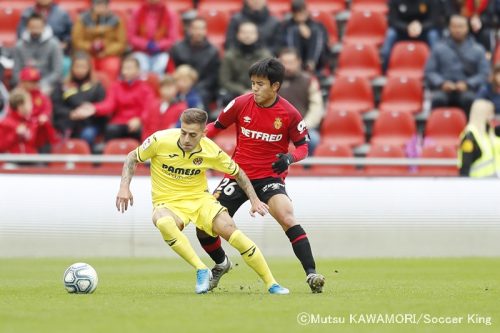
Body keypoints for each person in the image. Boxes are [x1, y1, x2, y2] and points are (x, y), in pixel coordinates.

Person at [116, 108, 289, 295]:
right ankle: (201, 269)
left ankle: (271, 283)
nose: (186, 139)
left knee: (231, 231)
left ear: (203, 133)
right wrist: (124, 187)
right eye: (183, 133)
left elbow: (238, 173)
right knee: (163, 221)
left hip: (200, 201)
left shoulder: (211, 150)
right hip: (169, 203)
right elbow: (132, 157)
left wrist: (254, 200)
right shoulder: (160, 140)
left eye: (192, 135)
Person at [197, 58, 325, 293]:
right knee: (204, 225)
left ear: (275, 86)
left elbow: (303, 147)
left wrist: (289, 158)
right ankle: (221, 264)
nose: (254, 88)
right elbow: (216, 126)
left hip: (269, 177)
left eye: (260, 84)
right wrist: (197, 140)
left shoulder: (289, 113)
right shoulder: (240, 103)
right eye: (253, 83)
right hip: (237, 175)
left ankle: (312, 274)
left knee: (287, 217)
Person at [74, 56, 155, 142]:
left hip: (138, 123)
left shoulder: (146, 89)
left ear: (138, 70)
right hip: (119, 122)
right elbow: (109, 104)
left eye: (129, 68)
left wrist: (139, 120)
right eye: (124, 68)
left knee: (143, 133)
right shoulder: (116, 86)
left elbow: (149, 109)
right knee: (110, 130)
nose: (125, 71)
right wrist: (94, 108)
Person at [424, 14, 490, 117]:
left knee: (470, 100)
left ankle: (469, 130)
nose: (457, 30)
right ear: (449, 28)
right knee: (438, 99)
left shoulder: (478, 49)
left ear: (467, 28)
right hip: (443, 89)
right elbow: (429, 71)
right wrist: (442, 83)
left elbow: (484, 74)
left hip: (468, 90)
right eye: (454, 26)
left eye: (461, 26)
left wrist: (467, 83)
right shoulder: (438, 48)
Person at [51, 51, 107, 149]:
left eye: (83, 67)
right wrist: (70, 113)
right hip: (67, 122)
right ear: (72, 68)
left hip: (90, 123)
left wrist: (88, 111)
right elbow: (56, 106)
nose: (80, 70)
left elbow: (103, 108)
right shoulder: (62, 86)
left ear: (89, 68)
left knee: (88, 134)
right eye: (77, 66)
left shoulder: (97, 87)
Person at [278, 48, 324, 154]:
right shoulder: (272, 81)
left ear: (299, 62)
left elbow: (316, 108)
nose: (287, 66)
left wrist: (303, 126)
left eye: (291, 62)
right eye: (284, 63)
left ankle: (306, 169)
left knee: (314, 140)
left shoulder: (309, 81)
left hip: (302, 127)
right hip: (276, 127)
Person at [170, 17, 220, 110]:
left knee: (201, 97)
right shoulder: (177, 48)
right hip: (179, 85)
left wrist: (193, 87)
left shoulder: (212, 51)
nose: (198, 32)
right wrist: (181, 84)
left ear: (205, 31)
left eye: (201, 28)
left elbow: (213, 77)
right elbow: (172, 70)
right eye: (195, 28)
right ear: (190, 30)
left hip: (202, 88)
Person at [219, 21, 272, 105]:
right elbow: (225, 81)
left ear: (257, 35)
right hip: (236, 94)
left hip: (261, 92)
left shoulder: (265, 56)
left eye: (251, 32)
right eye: (244, 32)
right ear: (238, 35)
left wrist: (256, 90)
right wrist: (242, 91)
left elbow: (270, 78)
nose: (247, 35)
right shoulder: (230, 56)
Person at [72, 0, 127, 80]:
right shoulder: (82, 19)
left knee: (112, 66)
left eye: (103, 4)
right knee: (83, 66)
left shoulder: (116, 21)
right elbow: (77, 41)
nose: (100, 7)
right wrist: (90, 47)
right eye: (98, 4)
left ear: (108, 5)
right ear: (92, 5)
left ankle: (109, 90)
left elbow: (121, 43)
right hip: (88, 54)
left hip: (108, 54)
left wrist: (105, 52)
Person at [16, 0, 73, 76]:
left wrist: (65, 43)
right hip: (29, 48)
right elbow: (21, 33)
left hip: (54, 50)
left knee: (65, 63)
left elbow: (69, 33)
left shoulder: (61, 13)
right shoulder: (27, 13)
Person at [12, 12, 63, 94]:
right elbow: (16, 71)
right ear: (27, 27)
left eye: (38, 26)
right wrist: (26, 84)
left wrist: (41, 84)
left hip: (47, 84)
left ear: (44, 27)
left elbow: (57, 72)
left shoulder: (54, 44)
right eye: (32, 27)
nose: (35, 29)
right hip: (24, 85)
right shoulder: (19, 45)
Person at [381, 0, 440, 71]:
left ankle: (436, 69)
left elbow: (433, 20)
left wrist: (421, 27)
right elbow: (393, 20)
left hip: (424, 31)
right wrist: (407, 27)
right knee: (391, 34)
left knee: (433, 35)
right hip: (402, 31)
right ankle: (384, 70)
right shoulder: (395, 1)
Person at [128, 0, 179, 76]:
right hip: (141, 52)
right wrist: (146, 44)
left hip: (162, 53)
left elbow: (173, 38)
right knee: (142, 68)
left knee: (160, 67)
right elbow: (131, 37)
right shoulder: (137, 12)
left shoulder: (169, 13)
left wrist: (158, 45)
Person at [277, 0, 331, 72]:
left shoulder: (317, 25)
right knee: (293, 31)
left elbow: (324, 43)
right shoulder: (286, 26)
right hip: (290, 60)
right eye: (297, 13)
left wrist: (308, 38)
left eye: (302, 12)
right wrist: (298, 27)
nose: (300, 15)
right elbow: (281, 44)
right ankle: (295, 64)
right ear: (293, 14)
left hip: (317, 62)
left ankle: (311, 64)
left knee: (315, 32)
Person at [141, 75, 187, 140]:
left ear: (176, 89)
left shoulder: (181, 107)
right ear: (159, 89)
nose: (167, 91)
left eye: (170, 87)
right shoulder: (152, 105)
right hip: (150, 142)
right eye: (164, 87)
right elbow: (146, 126)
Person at [458, 99, 495, 177]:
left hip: (489, 182)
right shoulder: (469, 136)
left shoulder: (485, 134)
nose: (492, 116)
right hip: (475, 184)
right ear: (482, 114)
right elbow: (465, 165)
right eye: (490, 113)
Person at [0, 88, 38, 154]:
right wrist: (15, 134)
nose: (32, 106)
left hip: (30, 159)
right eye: (29, 103)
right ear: (20, 106)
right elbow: (2, 145)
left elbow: (37, 143)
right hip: (11, 160)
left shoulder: (31, 122)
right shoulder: (5, 123)